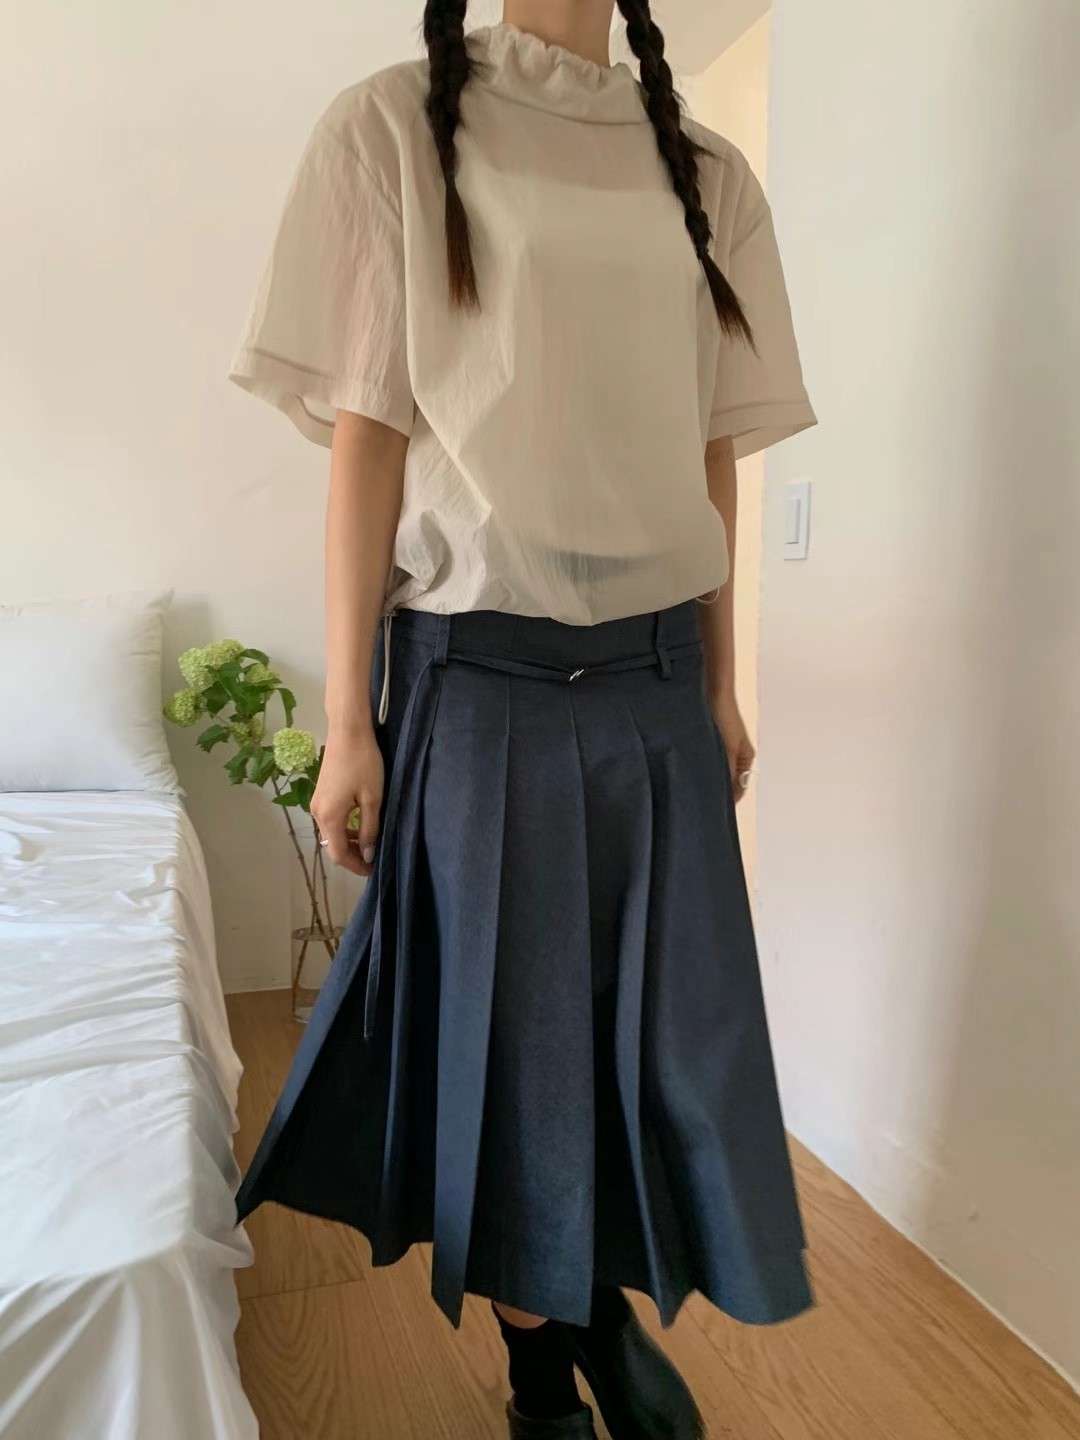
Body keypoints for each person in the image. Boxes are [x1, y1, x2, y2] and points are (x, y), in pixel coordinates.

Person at [229, 2, 817, 1435]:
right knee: (512, 1047)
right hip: (476, 678)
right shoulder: (390, 129)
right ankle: (545, 1365)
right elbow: (367, 445)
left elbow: (710, 450)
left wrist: (721, 679)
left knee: (660, 1039)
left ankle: (596, 1305)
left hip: (658, 676)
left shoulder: (707, 173)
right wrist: (351, 719)